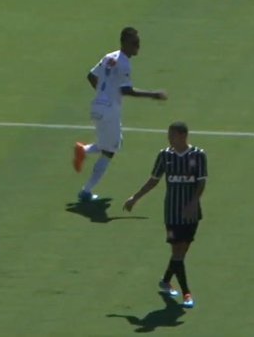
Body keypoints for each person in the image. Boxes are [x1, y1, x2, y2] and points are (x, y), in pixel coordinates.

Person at [73, 27, 167, 202]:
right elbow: (127, 90)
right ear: (124, 43)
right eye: (134, 43)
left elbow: (91, 76)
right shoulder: (124, 63)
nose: (137, 46)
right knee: (110, 151)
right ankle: (86, 191)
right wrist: (153, 94)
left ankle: (83, 150)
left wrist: (103, 94)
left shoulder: (109, 56)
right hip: (109, 110)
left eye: (138, 43)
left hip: (97, 106)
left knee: (112, 143)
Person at [124, 122, 208, 309]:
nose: (168, 138)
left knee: (182, 251)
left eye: (171, 134)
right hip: (172, 213)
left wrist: (193, 203)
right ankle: (186, 293)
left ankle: (165, 281)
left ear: (182, 135)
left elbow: (201, 182)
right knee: (177, 251)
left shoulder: (198, 155)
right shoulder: (164, 156)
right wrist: (135, 197)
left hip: (192, 213)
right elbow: (153, 180)